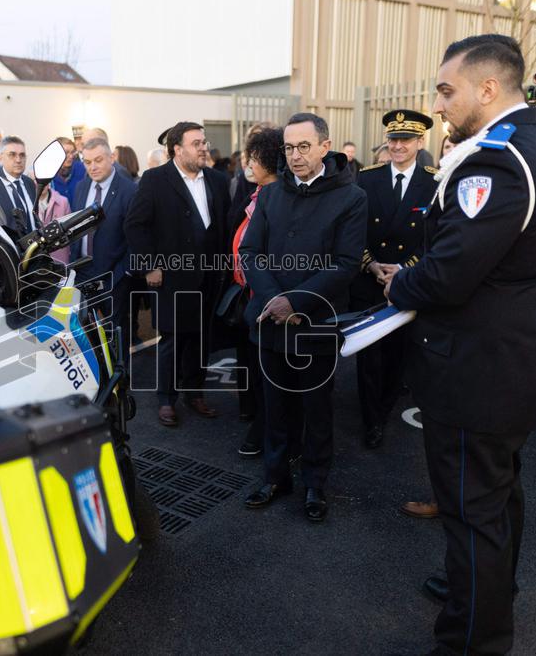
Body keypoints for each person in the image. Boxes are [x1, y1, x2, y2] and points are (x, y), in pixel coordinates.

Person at [384, 34, 536, 654]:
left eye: (447, 90)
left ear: (488, 89)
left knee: (471, 514)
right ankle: (489, 593)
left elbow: (446, 273)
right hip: (513, 358)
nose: (439, 104)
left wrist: (400, 284)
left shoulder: (498, 158)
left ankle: (473, 639)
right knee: (496, 502)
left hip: (477, 370)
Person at [239, 112, 367, 523]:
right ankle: (276, 477)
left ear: (325, 147)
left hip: (316, 322)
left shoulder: (351, 198)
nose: (295, 156)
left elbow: (346, 263)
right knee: (274, 405)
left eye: (304, 147)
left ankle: (315, 482)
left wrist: (295, 302)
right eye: (289, 148)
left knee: (316, 407)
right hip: (271, 320)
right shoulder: (272, 194)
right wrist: (276, 300)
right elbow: (251, 252)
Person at [125, 121, 230, 427]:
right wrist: (150, 265)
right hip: (171, 277)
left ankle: (194, 393)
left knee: (200, 337)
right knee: (172, 339)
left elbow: (222, 224)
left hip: (209, 275)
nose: (203, 147)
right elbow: (135, 224)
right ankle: (166, 399)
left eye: (204, 142)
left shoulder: (218, 180)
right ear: (177, 149)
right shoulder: (155, 179)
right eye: (196, 143)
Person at [350, 110, 438, 450]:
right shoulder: (367, 178)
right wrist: (372, 265)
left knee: (397, 357)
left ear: (420, 142)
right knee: (368, 358)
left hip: (408, 282)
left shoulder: (434, 181)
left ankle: (384, 408)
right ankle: (372, 421)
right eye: (393, 139)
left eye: (405, 140)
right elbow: (353, 230)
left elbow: (434, 238)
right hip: (369, 280)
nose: (398, 146)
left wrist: (404, 269)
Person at [401, 130, 456, 522]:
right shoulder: (446, 189)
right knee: (443, 430)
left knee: (459, 435)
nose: (451, 152)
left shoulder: (473, 192)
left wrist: (401, 281)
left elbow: (446, 264)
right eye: (448, 147)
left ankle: (453, 503)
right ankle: (445, 497)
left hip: (460, 331)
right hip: (441, 327)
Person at [227, 126, 285, 456]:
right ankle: (261, 425)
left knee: (268, 376)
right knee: (256, 370)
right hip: (253, 296)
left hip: (267, 299)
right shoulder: (258, 193)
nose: (247, 162)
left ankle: (266, 432)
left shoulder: (274, 197)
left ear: (264, 159)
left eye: (252, 156)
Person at [71, 137, 138, 364]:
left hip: (114, 276)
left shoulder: (129, 190)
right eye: (87, 162)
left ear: (111, 158)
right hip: (82, 275)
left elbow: (136, 238)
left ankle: (121, 386)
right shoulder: (81, 188)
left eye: (98, 160)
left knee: (115, 335)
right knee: (85, 336)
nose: (93, 167)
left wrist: (124, 273)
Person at [36, 174, 72, 264]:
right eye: (36, 180)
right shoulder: (27, 204)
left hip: (60, 258)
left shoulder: (63, 202)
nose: (41, 183)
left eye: (44, 180)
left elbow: (71, 232)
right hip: (37, 261)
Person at [51, 136, 83, 204]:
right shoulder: (49, 175)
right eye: (66, 152)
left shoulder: (82, 168)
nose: (71, 156)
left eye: (72, 152)